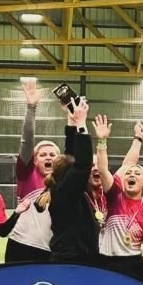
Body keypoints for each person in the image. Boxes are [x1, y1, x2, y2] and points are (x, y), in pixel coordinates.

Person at [91, 114, 143, 284]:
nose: (131, 174)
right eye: (128, 173)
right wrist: (102, 142)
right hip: (105, 261)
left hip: (132, 263)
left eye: (137, 174)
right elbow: (103, 168)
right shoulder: (114, 195)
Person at [36, 99, 99, 265]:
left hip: (72, 257)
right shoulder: (65, 192)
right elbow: (82, 163)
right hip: (72, 260)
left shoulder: (61, 186)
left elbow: (71, 155)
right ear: (70, 174)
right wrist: (81, 124)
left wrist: (71, 122)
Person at [5, 78, 60, 264]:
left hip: (51, 250)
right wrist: (31, 108)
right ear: (34, 161)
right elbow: (27, 142)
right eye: (43, 154)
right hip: (22, 246)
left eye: (53, 154)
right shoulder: (27, 174)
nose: (48, 157)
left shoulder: (62, 183)